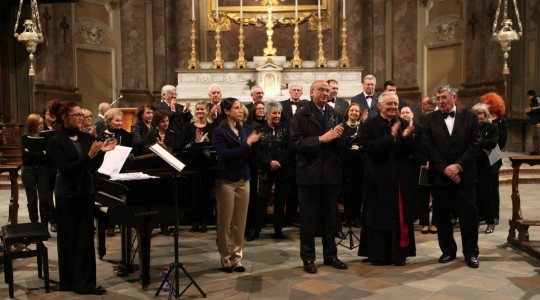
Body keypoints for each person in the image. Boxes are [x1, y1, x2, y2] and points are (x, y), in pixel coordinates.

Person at [48, 99, 117, 295]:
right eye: (76, 115)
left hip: (85, 192)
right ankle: (69, 281)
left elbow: (92, 167)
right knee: (69, 239)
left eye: (81, 115)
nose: (81, 119)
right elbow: (66, 169)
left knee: (85, 240)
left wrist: (101, 153)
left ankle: (85, 283)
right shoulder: (56, 141)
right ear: (64, 117)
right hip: (67, 195)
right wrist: (88, 156)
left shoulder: (85, 138)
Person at [290, 80, 348, 274]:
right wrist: (321, 139)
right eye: (321, 89)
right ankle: (308, 257)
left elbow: (343, 144)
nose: (325, 92)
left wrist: (340, 137)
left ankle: (331, 255)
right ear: (311, 92)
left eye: (327, 90)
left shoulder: (335, 113)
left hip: (330, 174)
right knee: (308, 219)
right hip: (309, 174)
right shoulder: (300, 115)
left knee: (330, 218)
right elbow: (295, 144)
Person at [423, 84, 481, 268]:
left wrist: (458, 166)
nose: (440, 102)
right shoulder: (430, 119)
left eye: (444, 98)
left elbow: (475, 144)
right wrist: (446, 169)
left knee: (469, 216)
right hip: (441, 176)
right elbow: (428, 146)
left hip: (465, 175)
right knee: (442, 215)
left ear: (454, 97)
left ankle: (470, 252)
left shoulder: (470, 117)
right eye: (438, 98)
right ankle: (447, 251)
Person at [358, 92, 417, 266]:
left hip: (400, 179)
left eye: (395, 104)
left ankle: (400, 253)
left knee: (400, 215)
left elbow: (410, 152)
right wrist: (391, 137)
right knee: (379, 216)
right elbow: (370, 148)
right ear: (380, 106)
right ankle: (379, 255)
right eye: (389, 104)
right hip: (378, 179)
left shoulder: (404, 123)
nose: (393, 107)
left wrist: (407, 139)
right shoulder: (369, 125)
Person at [212, 97, 261, 273]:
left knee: (240, 222)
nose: (241, 111)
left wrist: (255, 144)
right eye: (237, 108)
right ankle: (225, 258)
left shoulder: (245, 130)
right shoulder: (219, 132)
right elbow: (224, 155)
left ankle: (236, 258)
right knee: (225, 223)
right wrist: (247, 144)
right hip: (226, 180)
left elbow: (249, 156)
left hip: (243, 178)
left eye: (241, 108)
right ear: (227, 111)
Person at [247, 101, 291, 241]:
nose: (277, 116)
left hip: (282, 170)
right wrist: (269, 162)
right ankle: (256, 228)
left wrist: (279, 162)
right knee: (262, 200)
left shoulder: (286, 128)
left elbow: (290, 148)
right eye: (274, 113)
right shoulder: (258, 130)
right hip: (265, 170)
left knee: (280, 200)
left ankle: (278, 229)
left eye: (279, 113)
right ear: (267, 114)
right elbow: (255, 151)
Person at [401, 106, 437, 235]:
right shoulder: (416, 131)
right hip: (420, 166)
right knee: (423, 196)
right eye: (403, 112)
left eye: (407, 112)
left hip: (435, 164)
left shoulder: (424, 130)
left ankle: (435, 223)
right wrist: (425, 162)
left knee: (437, 196)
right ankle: (424, 223)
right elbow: (416, 150)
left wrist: (431, 161)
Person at [185, 101, 215, 233]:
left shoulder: (212, 127)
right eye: (197, 109)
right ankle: (194, 221)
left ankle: (204, 221)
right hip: (193, 164)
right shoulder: (189, 127)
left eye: (202, 109)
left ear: (207, 111)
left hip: (207, 164)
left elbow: (216, 144)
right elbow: (184, 143)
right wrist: (196, 142)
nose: (199, 112)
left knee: (206, 193)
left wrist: (209, 142)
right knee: (193, 193)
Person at [471, 103, 499, 234]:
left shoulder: (492, 127)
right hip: (472, 165)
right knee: (473, 196)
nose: (478, 116)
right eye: (475, 113)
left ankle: (490, 222)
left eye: (480, 113)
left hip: (486, 166)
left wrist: (476, 142)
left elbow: (492, 143)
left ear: (485, 114)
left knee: (486, 195)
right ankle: (474, 222)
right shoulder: (470, 127)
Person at [480, 92, 507, 225]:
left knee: (492, 188)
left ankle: (494, 214)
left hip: (493, 157)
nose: (485, 104)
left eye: (488, 102)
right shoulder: (482, 121)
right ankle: (484, 214)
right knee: (482, 187)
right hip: (481, 158)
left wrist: (486, 144)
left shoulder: (500, 121)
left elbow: (501, 141)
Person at [20, 114, 50, 228]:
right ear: (32, 125)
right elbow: (25, 154)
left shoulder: (44, 137)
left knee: (44, 199)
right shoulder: (24, 137)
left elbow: (46, 154)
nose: (42, 126)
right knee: (32, 199)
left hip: (42, 170)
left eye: (42, 123)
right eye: (39, 124)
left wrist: (32, 153)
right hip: (28, 170)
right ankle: (34, 226)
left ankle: (44, 226)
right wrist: (40, 153)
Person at [341, 103, 366, 228]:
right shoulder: (341, 126)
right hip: (345, 164)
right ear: (348, 112)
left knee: (358, 192)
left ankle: (357, 217)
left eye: (357, 111)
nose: (354, 113)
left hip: (359, 163)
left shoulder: (363, 127)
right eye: (352, 110)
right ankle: (348, 218)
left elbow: (367, 143)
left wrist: (360, 147)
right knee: (347, 192)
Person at [525, 90, 540, 155]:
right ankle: (535, 151)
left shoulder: (537, 98)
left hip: (538, 121)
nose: (528, 98)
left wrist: (531, 109)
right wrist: (527, 112)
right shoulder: (531, 103)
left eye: (528, 96)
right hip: (533, 121)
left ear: (530, 95)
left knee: (539, 136)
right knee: (534, 137)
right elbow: (531, 113)